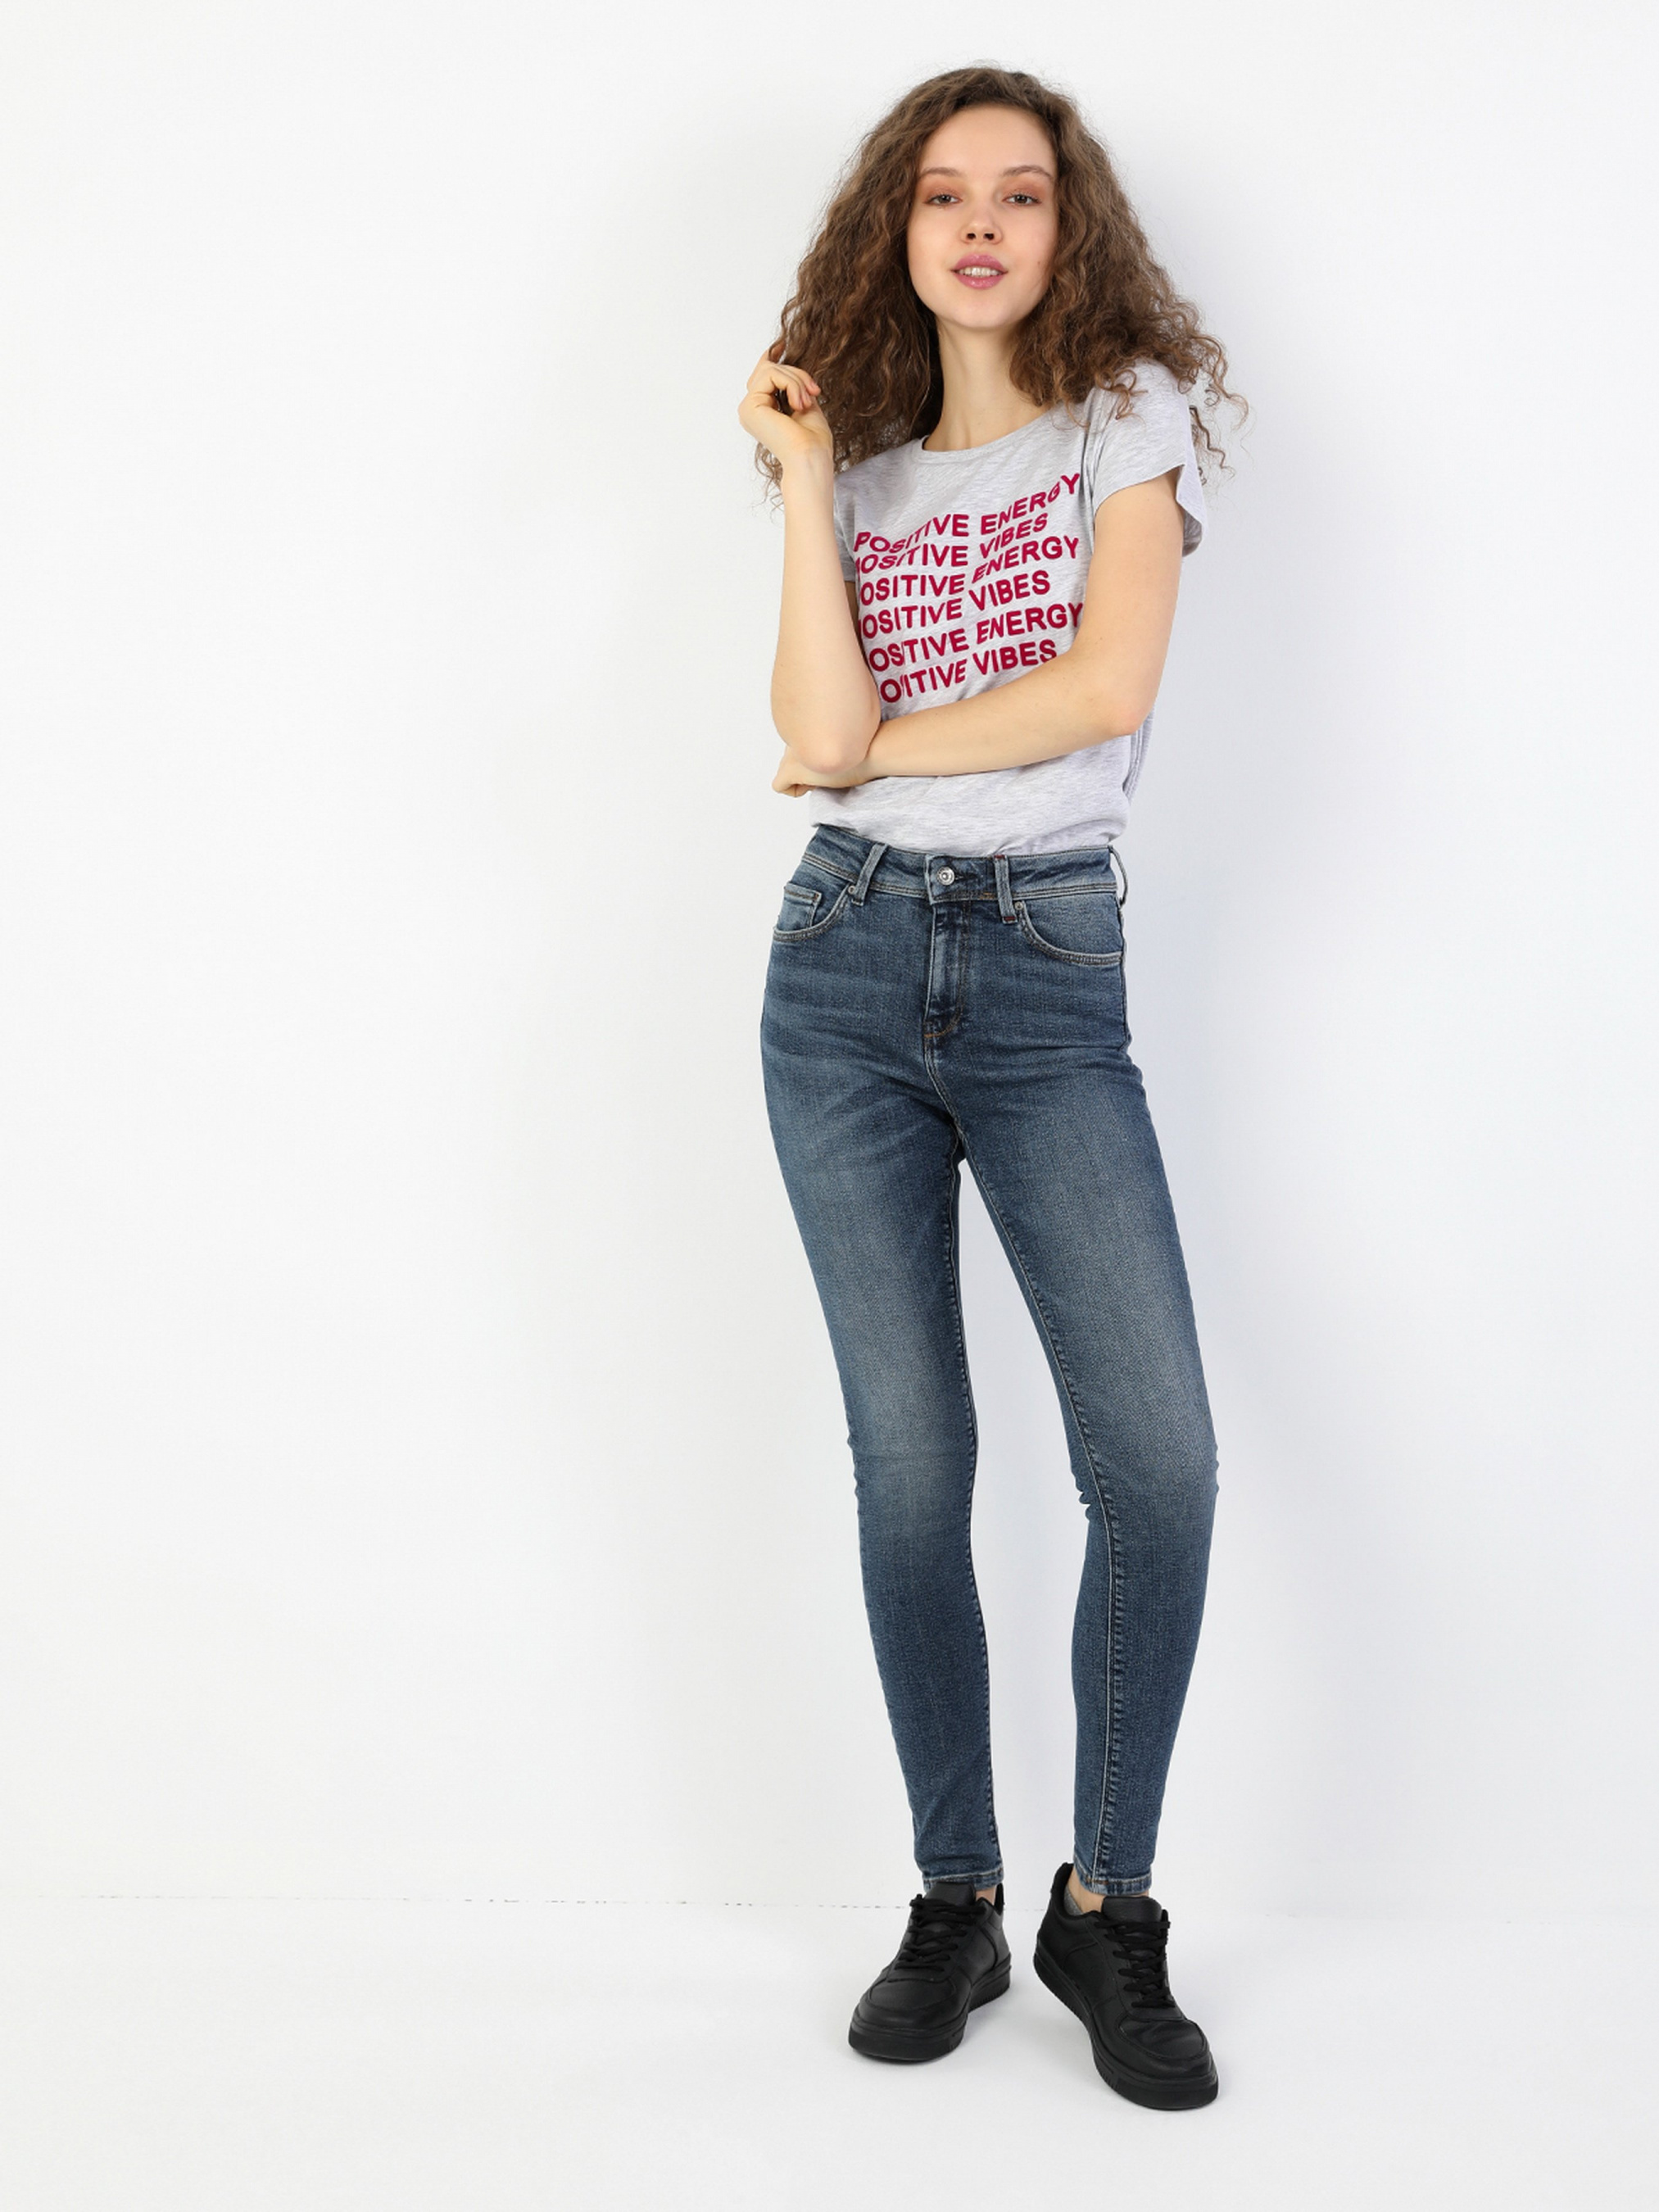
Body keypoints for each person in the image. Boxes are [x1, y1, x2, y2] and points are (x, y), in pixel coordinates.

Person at [737, 65, 1243, 2111]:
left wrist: (870, 744)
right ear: (897, 228)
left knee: (1158, 1465)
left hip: (1043, 972)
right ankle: (951, 1897)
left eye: (1016, 195)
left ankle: (1102, 1906)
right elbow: (803, 717)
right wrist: (797, 482)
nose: (975, 225)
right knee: (910, 1467)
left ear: (1064, 228)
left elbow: (1101, 689)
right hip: (839, 972)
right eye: (940, 194)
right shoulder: (856, 474)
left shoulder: (1127, 419)